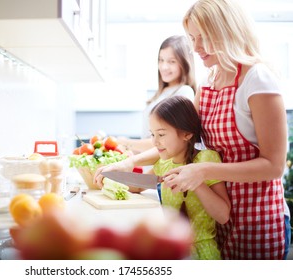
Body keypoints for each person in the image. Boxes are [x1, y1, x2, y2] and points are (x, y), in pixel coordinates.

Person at [95, 0, 290, 260]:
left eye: (202, 38)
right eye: (192, 38)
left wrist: (203, 171)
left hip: (257, 216)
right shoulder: (210, 82)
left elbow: (274, 165)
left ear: (226, 31)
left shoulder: (258, 79)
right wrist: (129, 163)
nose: (195, 48)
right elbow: (178, 141)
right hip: (217, 214)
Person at [149, 95, 230, 259]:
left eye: (161, 134)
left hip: (201, 252)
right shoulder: (163, 164)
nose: (155, 142)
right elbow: (137, 185)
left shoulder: (206, 159)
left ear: (186, 134)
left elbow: (223, 216)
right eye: (152, 134)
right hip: (171, 249)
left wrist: (196, 182)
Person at [117, 35, 196, 154]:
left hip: (165, 167)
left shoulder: (184, 92)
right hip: (150, 165)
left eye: (172, 61)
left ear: (184, 63)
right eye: (161, 60)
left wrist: (127, 143)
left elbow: (168, 140)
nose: (164, 67)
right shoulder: (161, 93)